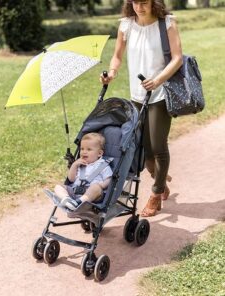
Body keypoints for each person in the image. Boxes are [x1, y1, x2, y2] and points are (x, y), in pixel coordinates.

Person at [100, 0, 183, 216]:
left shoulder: (167, 23)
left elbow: (177, 59)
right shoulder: (126, 25)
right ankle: (161, 179)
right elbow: (117, 56)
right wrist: (111, 73)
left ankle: (156, 194)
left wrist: (158, 80)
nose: (139, 7)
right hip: (137, 97)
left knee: (157, 145)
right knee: (144, 152)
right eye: (134, 2)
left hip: (160, 93)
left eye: (144, 2)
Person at [53, 132, 113, 211]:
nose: (84, 152)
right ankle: (67, 199)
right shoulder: (79, 163)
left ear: (99, 153)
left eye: (89, 149)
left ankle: (79, 202)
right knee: (58, 187)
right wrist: (74, 165)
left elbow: (109, 179)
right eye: (82, 149)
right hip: (76, 191)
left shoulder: (103, 165)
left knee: (96, 187)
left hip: (92, 195)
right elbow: (71, 179)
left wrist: (101, 185)